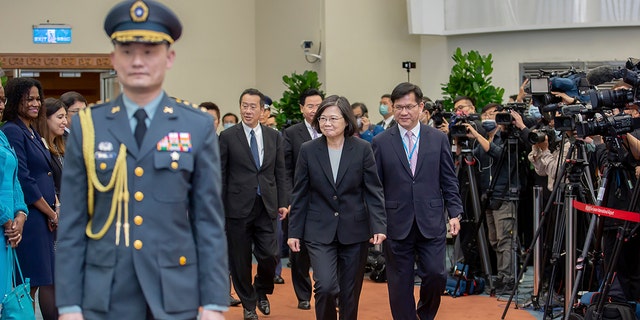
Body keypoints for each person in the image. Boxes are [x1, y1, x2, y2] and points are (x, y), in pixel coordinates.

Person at [55, 1, 228, 319]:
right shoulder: (88, 126)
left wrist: (215, 303)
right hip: (105, 293)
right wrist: (68, 305)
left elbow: (208, 221)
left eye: (149, 51)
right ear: (113, 59)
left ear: (169, 57)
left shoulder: (197, 125)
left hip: (174, 291)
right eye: (127, 51)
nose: (138, 61)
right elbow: (72, 223)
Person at [288, 95, 386, 320]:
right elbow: (300, 193)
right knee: (326, 287)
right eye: (323, 118)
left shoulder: (362, 149)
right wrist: (294, 231)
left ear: (346, 121)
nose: (327, 123)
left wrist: (378, 225)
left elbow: (373, 190)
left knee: (349, 292)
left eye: (333, 118)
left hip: (354, 229)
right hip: (318, 230)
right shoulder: (308, 150)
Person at [371, 82, 462, 320]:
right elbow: (375, 187)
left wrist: (455, 212)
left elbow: (448, 179)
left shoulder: (438, 139)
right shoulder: (381, 142)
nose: (404, 112)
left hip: (430, 220)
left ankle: (425, 313)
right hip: (396, 221)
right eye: (398, 107)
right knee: (399, 282)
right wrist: (376, 222)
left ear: (421, 107)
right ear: (392, 107)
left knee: (436, 275)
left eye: (409, 107)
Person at [219, 88, 289, 320]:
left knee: (270, 255)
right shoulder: (228, 137)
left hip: (266, 205)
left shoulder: (273, 136)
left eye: (253, 107)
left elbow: (280, 171)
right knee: (239, 260)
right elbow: (221, 172)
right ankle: (249, 305)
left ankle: (261, 289)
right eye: (244, 106)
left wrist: (283, 201)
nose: (248, 111)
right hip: (236, 207)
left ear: (262, 110)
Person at [1, 77, 58, 320]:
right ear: (17, 101)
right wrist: (49, 212)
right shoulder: (12, 131)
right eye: (29, 99)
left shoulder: (32, 131)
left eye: (38, 99)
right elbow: (23, 179)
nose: (36, 103)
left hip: (31, 216)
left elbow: (43, 172)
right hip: (30, 219)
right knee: (27, 283)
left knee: (38, 281)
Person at [282, 88, 324, 310]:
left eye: (319, 105)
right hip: (300, 201)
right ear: (301, 108)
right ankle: (303, 294)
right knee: (299, 252)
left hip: (325, 202)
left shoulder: (331, 129)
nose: (315, 110)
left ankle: (326, 290)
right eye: (310, 106)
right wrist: (289, 199)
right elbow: (286, 170)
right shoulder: (291, 133)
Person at [0, 90, 29, 304]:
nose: (1, 105)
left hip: (7, 230)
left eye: (2, 100)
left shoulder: (1, 135)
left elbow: (14, 178)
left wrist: (21, 213)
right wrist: (6, 219)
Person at [36, 98, 67, 199]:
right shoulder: (39, 148)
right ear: (45, 119)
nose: (65, 122)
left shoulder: (61, 146)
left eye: (65, 117)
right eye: (60, 117)